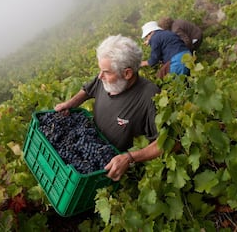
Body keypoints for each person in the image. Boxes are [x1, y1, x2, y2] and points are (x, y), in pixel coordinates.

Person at [54, 34, 163, 181]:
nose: (100, 76)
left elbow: (168, 142)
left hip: (113, 169)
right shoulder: (107, 80)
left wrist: (129, 158)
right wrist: (70, 104)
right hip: (91, 142)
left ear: (127, 73)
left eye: (106, 72)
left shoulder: (149, 96)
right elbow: (87, 90)